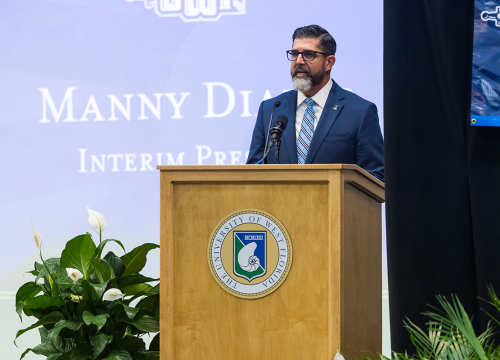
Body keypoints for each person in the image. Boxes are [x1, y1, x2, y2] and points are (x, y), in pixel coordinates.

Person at [246, 25, 384, 182]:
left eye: (308, 54)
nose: (299, 61)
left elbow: (376, 177)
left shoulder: (360, 111)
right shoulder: (270, 109)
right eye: (294, 53)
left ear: (329, 62)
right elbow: (253, 171)